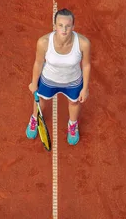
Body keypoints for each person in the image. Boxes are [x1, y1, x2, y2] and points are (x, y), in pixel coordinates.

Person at [25, 8, 91, 145]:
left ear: (73, 26)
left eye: (68, 25)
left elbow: (86, 65)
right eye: (60, 25)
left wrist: (85, 88)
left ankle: (72, 125)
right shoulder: (43, 42)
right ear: (54, 26)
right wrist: (33, 82)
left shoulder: (83, 43)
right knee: (41, 100)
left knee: (74, 102)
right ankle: (35, 118)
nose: (64, 29)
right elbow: (38, 62)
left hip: (73, 81)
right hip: (49, 80)